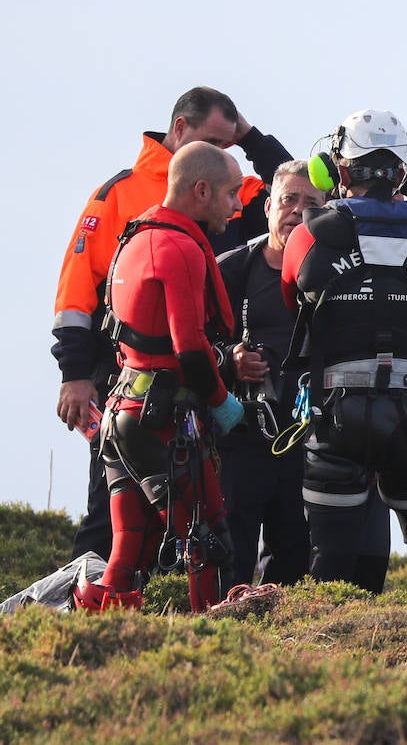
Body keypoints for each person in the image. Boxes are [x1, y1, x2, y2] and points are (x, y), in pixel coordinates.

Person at [52, 86, 290, 561]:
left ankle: (175, 621)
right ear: (179, 128)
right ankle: (87, 618)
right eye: (216, 142)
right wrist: (75, 376)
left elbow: (293, 191)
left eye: (229, 145)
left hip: (199, 383)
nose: (225, 153)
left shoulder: (234, 189)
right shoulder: (120, 193)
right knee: (114, 512)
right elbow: (77, 292)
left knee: (192, 515)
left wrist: (250, 137)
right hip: (124, 378)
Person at [280, 109, 407, 605]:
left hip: (335, 411)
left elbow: (293, 299)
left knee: (329, 553)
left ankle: (320, 662)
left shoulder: (306, 235)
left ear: (336, 169)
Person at [72, 143, 248, 612]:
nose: (238, 205)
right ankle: (213, 647)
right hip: (163, 417)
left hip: (122, 412)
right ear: (202, 189)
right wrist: (222, 402)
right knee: (204, 537)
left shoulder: (135, 237)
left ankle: (95, 638)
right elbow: (189, 350)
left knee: (130, 547)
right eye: (232, 194)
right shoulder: (179, 245)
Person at [215, 160, 324, 589]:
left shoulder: (339, 272)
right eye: (288, 199)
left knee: (295, 552)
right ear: (267, 206)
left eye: (310, 202)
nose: (297, 210)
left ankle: (282, 644)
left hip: (309, 437)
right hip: (241, 434)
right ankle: (224, 635)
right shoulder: (231, 268)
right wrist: (231, 359)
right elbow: (191, 340)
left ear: (327, 208)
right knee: (232, 548)